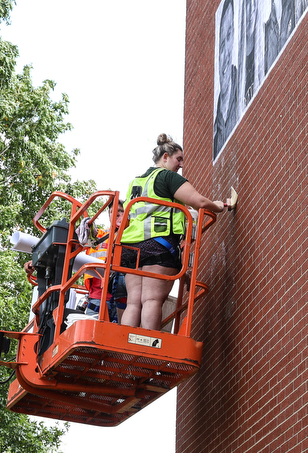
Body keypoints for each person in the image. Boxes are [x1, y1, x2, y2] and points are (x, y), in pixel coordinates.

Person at [120, 134, 230, 331]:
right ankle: (146, 350)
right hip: (158, 245)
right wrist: (219, 206)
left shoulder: (135, 183)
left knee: (134, 303)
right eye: (178, 159)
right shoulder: (167, 177)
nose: (180, 165)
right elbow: (200, 202)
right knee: (152, 300)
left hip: (131, 247)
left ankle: (124, 350)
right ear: (165, 157)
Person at [83, 199, 126, 323]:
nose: (116, 214)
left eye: (120, 211)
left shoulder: (132, 236)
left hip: (123, 300)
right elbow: (83, 236)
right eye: (112, 212)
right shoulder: (100, 236)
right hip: (97, 297)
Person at [214, 0, 238, 157]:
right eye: (221, 44)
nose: (226, 53)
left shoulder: (242, 94)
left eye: (230, 36)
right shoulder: (216, 127)